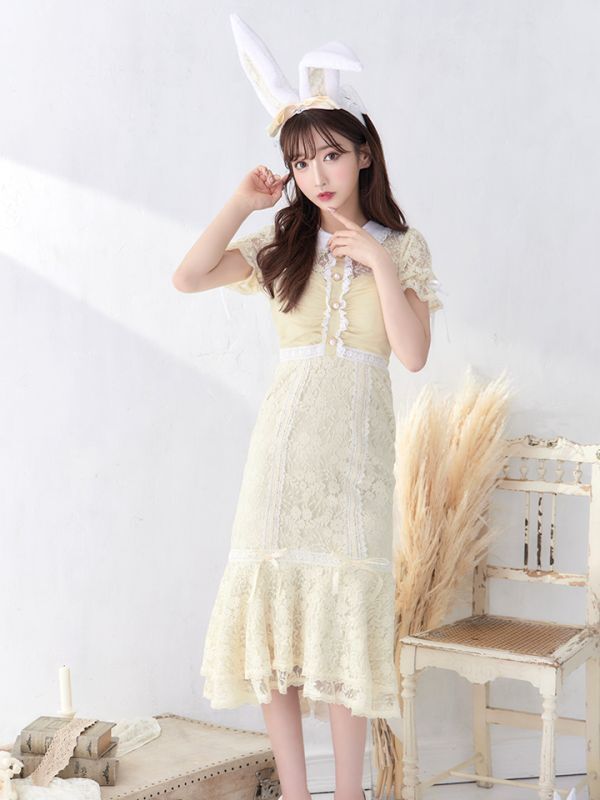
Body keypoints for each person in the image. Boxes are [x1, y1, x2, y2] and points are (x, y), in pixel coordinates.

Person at [171, 15, 444, 800]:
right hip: (281, 458)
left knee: (345, 633)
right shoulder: (283, 243)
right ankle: (297, 791)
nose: (317, 173)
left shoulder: (401, 247)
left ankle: (345, 793)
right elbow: (189, 276)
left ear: (363, 153)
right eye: (301, 160)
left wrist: (379, 264)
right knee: (275, 628)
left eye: (330, 154)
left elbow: (413, 354)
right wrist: (241, 203)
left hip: (356, 464)